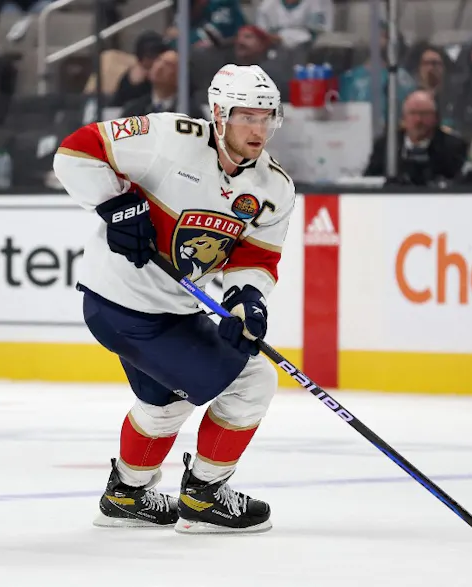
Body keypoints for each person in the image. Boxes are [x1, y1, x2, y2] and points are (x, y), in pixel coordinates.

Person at [52, 64, 296, 534]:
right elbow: (75, 152)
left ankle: (127, 495)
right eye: (247, 116)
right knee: (252, 381)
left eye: (267, 118)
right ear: (218, 114)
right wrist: (116, 202)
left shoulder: (273, 188)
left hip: (174, 310)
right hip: (120, 304)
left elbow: (256, 260)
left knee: (166, 402)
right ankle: (204, 495)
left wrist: (248, 300)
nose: (258, 129)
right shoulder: (169, 136)